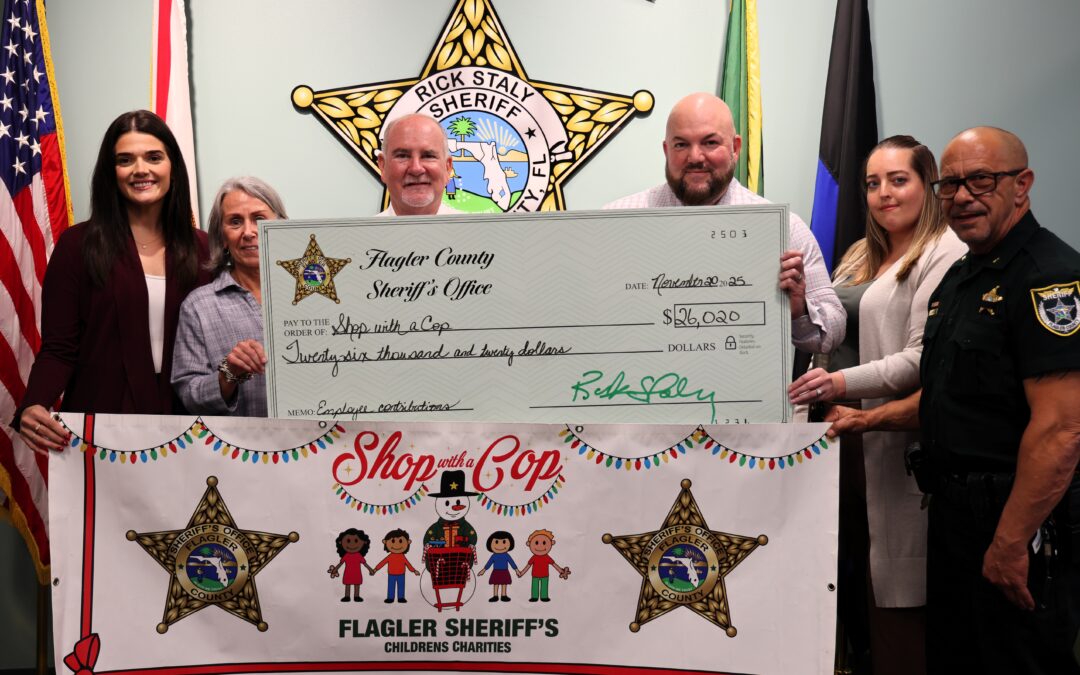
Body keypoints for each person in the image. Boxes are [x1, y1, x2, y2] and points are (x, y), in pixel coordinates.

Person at [828, 127, 1080, 674]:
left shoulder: (1049, 278)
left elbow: (1062, 429)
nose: (963, 196)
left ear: (1023, 185)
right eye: (954, 184)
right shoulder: (963, 278)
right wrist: (867, 421)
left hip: (1016, 520)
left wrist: (1011, 542)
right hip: (952, 518)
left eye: (982, 181)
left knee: (1015, 661)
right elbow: (944, 398)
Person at [788, 135, 967, 674]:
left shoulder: (945, 253)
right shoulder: (860, 255)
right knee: (846, 588)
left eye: (898, 179)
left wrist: (838, 385)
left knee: (899, 603)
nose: (884, 193)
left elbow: (920, 360)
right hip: (837, 446)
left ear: (927, 184)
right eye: (872, 183)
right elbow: (824, 336)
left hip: (893, 447)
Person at [14, 110, 209, 453]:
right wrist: (35, 403)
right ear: (111, 172)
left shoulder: (204, 248)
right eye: (125, 160)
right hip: (100, 424)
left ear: (173, 167)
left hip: (188, 424)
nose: (140, 170)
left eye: (153, 157)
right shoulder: (78, 246)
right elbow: (59, 348)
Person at [604, 92, 844, 354]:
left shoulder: (783, 230)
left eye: (710, 142)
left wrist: (798, 309)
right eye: (681, 144)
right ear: (666, 150)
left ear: (736, 148)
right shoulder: (614, 223)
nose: (695, 156)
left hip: (745, 391)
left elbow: (830, 336)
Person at [171, 177, 287, 417]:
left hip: (324, 445)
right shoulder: (199, 306)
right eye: (235, 222)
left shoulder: (317, 296)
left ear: (281, 226)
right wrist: (228, 374)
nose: (248, 232)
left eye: (259, 219)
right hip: (240, 451)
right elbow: (188, 394)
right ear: (222, 237)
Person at [376, 113, 459, 217]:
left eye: (428, 156)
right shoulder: (361, 233)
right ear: (383, 166)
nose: (416, 169)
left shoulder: (478, 232)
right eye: (402, 156)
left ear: (448, 168)